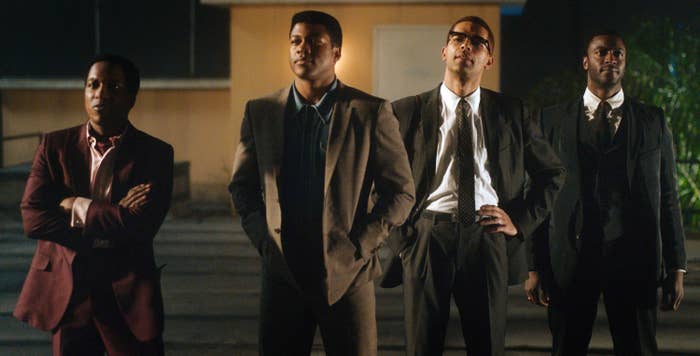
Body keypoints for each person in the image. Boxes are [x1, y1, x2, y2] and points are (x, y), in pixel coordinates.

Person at [228, 10, 414, 356]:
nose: (303, 49)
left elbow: (402, 191)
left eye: (315, 41)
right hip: (283, 273)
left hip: (347, 275)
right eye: (296, 41)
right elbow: (241, 186)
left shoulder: (370, 112)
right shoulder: (261, 111)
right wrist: (264, 241)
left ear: (337, 52)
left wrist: (363, 244)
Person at [380, 16, 565, 356]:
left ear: (488, 59)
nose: (466, 45)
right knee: (422, 346)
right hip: (426, 236)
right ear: (444, 50)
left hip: (487, 237)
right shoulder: (405, 111)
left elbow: (552, 174)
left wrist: (518, 222)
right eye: (458, 38)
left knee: (487, 345)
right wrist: (402, 240)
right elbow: (380, 181)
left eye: (477, 42)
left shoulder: (511, 112)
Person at [526, 30, 687, 356]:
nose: (610, 59)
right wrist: (534, 266)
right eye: (602, 52)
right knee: (566, 348)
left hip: (634, 259)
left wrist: (676, 267)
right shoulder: (552, 120)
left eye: (618, 54)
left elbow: (668, 196)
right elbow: (537, 195)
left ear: (624, 64)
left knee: (638, 349)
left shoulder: (652, 120)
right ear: (586, 61)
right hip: (570, 260)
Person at [14, 54, 173, 355]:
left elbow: (141, 226)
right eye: (93, 84)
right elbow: (32, 218)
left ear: (131, 97)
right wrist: (115, 215)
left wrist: (74, 205)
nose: (100, 93)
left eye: (113, 86)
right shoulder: (54, 145)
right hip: (69, 291)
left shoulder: (156, 153)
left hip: (128, 292)